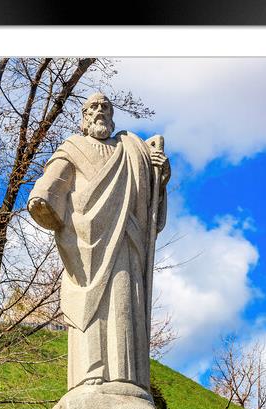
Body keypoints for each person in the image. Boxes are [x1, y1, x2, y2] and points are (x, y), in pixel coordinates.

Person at [27, 92, 171, 392]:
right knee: (90, 308)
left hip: (125, 241)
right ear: (84, 116)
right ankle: (90, 375)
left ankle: (128, 378)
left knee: (123, 303)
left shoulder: (131, 149)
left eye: (105, 107)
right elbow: (53, 181)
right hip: (86, 243)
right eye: (93, 107)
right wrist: (41, 198)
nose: (100, 111)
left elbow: (149, 194)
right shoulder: (74, 147)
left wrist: (159, 170)